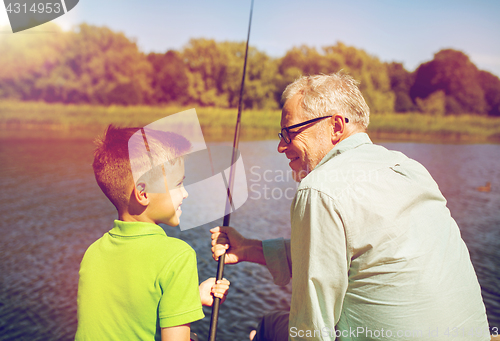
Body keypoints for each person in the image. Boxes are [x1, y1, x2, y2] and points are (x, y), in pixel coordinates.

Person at [211, 73, 490, 340]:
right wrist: (249, 248)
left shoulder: (320, 188)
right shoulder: (408, 168)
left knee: (271, 326)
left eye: (289, 132)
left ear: (335, 126)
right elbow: (339, 256)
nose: (281, 147)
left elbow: (312, 326)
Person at [76, 125, 230, 341]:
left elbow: (128, 308)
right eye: (178, 183)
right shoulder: (178, 255)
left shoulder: (92, 253)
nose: (185, 193)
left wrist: (189, 296)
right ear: (143, 192)